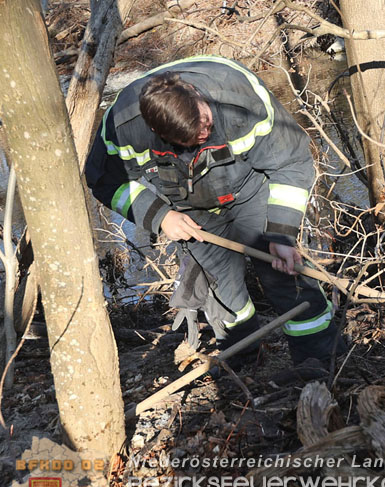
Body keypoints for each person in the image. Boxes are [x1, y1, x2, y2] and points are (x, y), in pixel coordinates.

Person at [86, 55, 344, 370]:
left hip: (252, 192)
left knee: (284, 273)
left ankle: (322, 357)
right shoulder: (123, 126)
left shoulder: (241, 99)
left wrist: (281, 233)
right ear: (157, 132)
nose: (205, 134)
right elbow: (104, 180)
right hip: (191, 215)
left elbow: (291, 162)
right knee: (223, 289)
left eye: (206, 124)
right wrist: (161, 217)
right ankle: (245, 364)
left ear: (197, 96)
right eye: (192, 139)